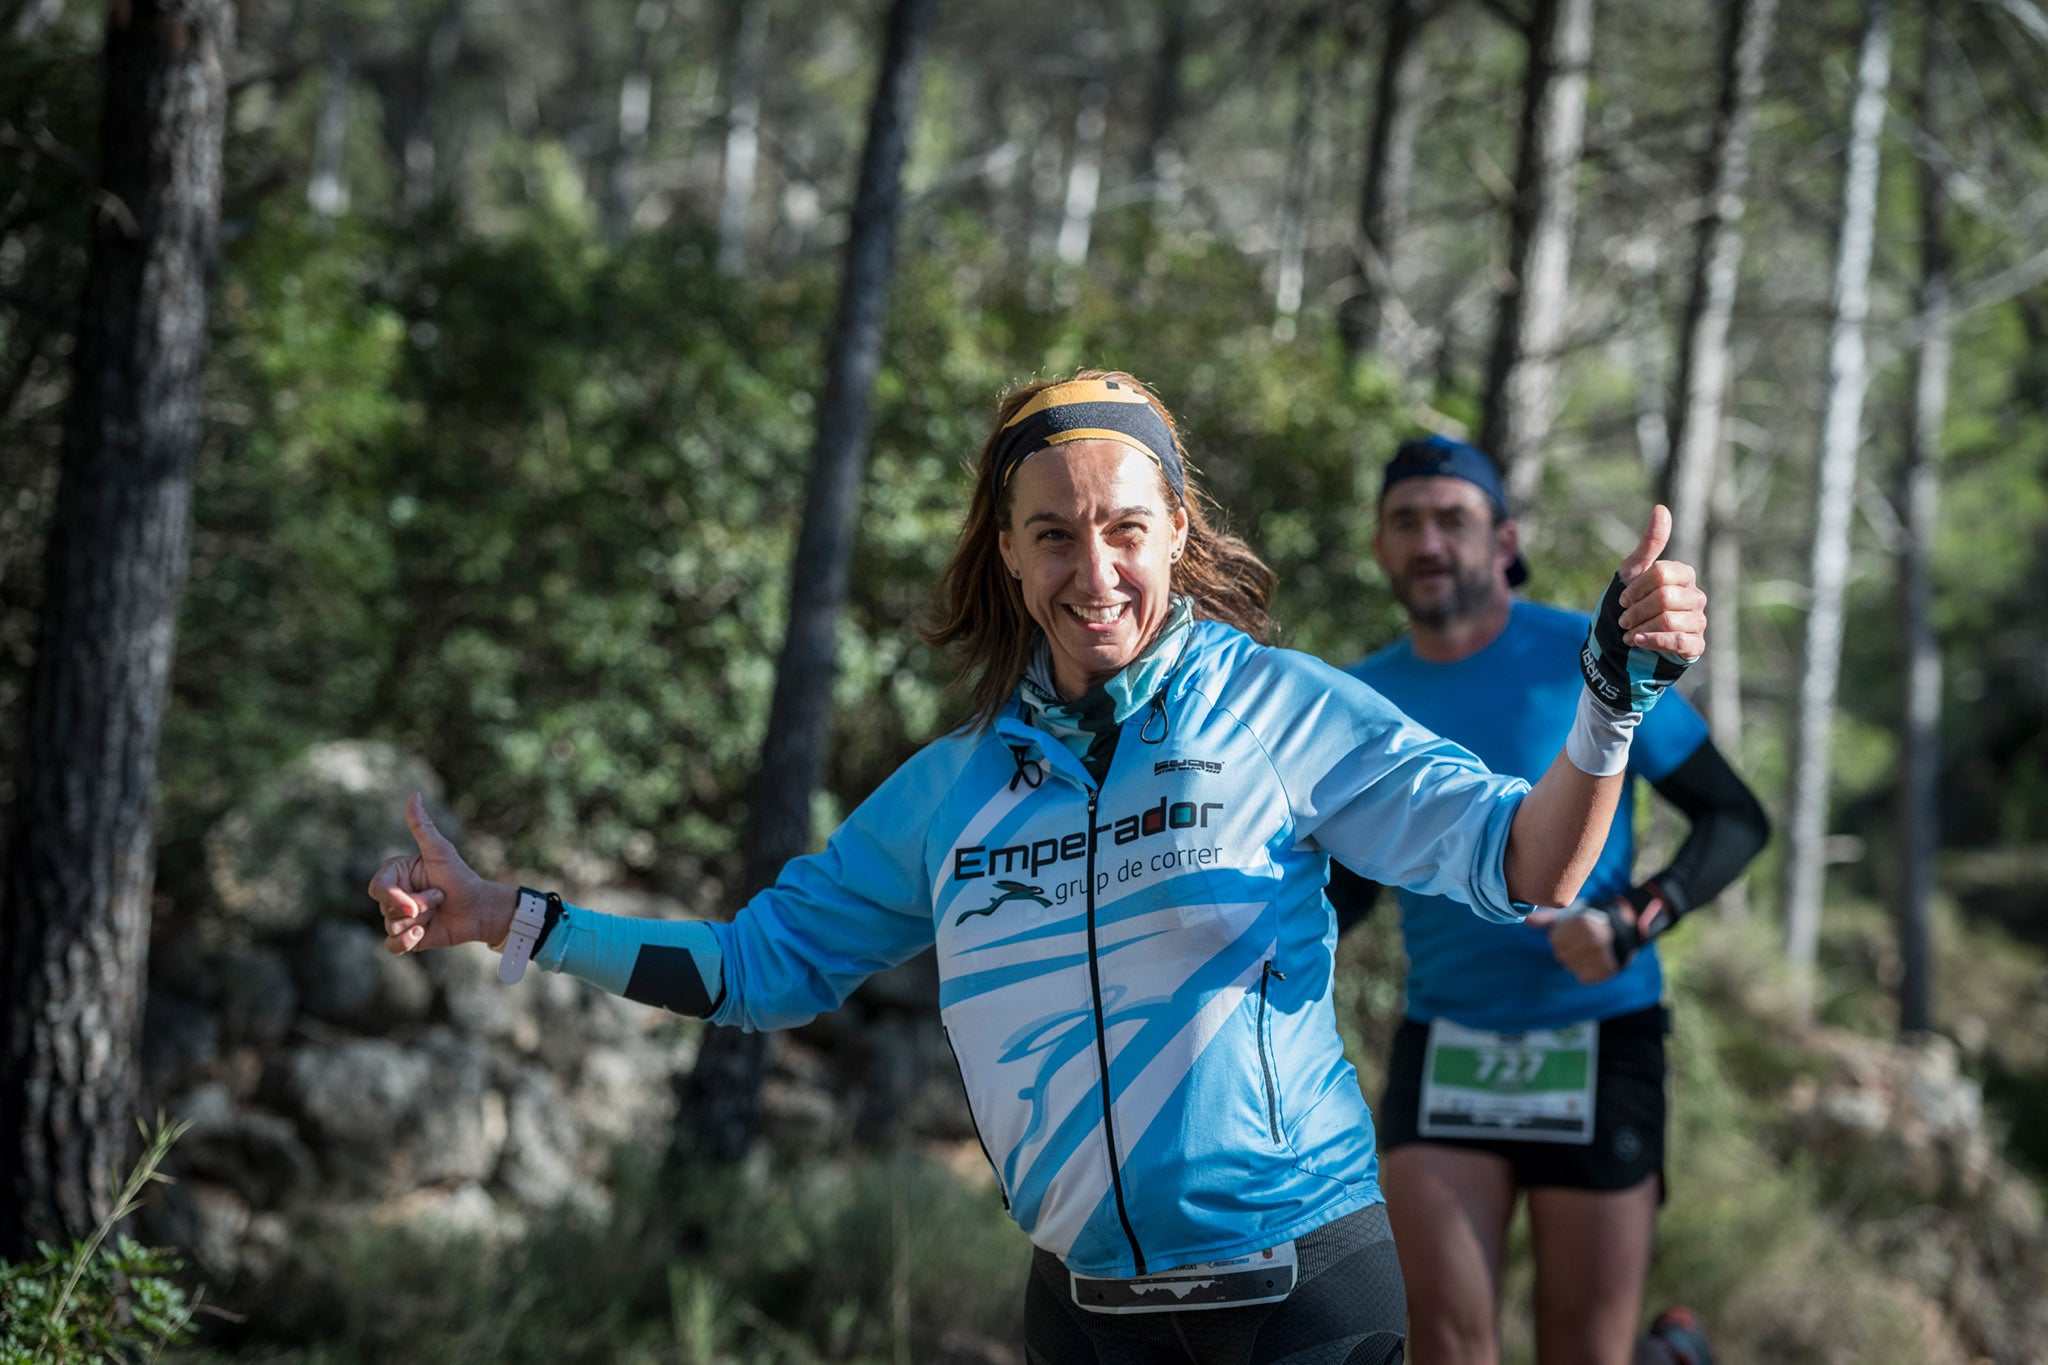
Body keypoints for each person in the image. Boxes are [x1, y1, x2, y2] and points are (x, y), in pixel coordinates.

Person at [368, 373, 1708, 1365]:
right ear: (1007, 556)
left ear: (1178, 529)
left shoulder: (1283, 712)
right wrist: (515, 918)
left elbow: (1531, 861)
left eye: (1125, 526)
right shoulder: (954, 792)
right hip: (1081, 1315)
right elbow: (754, 972)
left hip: (1300, 1297)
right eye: (1055, 534)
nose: (1095, 568)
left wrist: (1611, 700)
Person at [1328, 435, 1768, 1365]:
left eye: (1454, 518)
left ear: (1503, 539)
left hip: (1598, 1034)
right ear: (1379, 547)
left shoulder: (1591, 655)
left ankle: (1671, 1354)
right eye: (1406, 521)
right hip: (1450, 1036)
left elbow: (1734, 818)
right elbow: (1352, 887)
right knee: (1445, 1345)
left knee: (1584, 1351)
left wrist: (1636, 918)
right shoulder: (1360, 698)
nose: (1429, 541)